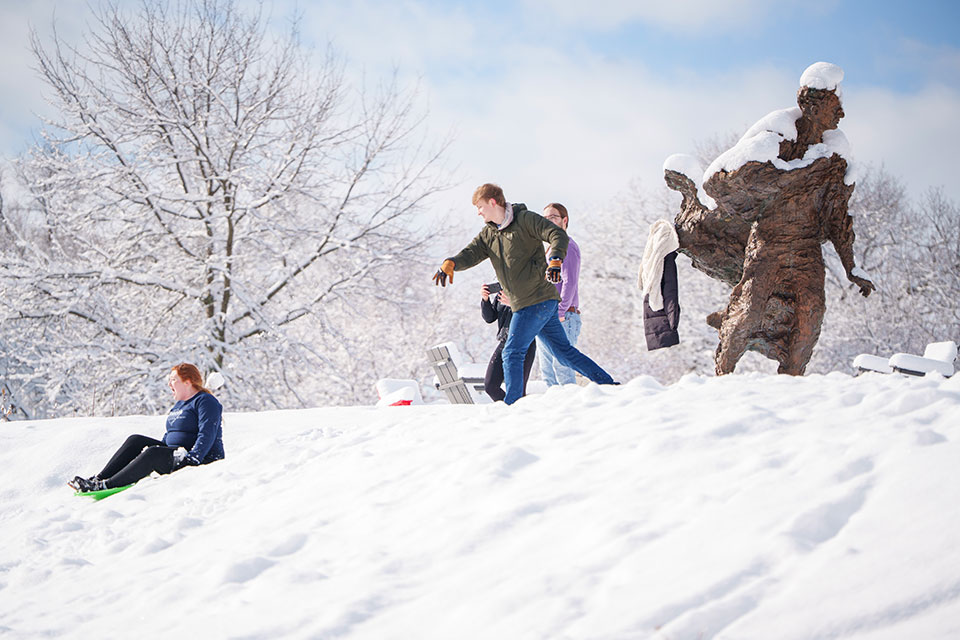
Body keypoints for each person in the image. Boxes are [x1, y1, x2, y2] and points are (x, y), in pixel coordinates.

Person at [433, 183, 616, 404]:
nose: (478, 212)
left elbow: (556, 234)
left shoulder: (525, 220)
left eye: (480, 207)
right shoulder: (489, 234)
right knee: (563, 352)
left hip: (535, 299)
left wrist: (556, 258)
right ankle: (607, 383)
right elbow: (471, 253)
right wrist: (451, 263)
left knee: (512, 353)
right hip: (537, 302)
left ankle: (513, 405)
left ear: (493, 202)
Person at [68, 363, 225, 492]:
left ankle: (105, 486)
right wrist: (160, 447)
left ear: (188, 381)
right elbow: (171, 434)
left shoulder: (205, 401)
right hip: (177, 453)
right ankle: (99, 479)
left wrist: (194, 458)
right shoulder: (179, 405)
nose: (169, 384)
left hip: (200, 458)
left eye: (173, 380)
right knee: (135, 440)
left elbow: (207, 432)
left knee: (153, 453)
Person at [536, 203, 581, 386]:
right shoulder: (549, 249)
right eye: (545, 218)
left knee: (562, 367)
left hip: (564, 316)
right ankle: (553, 412)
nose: (549, 221)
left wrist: (560, 312)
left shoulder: (567, 246)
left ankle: (571, 411)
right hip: (545, 316)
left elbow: (569, 281)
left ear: (564, 220)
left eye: (553, 217)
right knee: (546, 370)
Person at [480, 283, 537, 401]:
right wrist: (485, 300)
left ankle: (517, 414)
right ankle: (509, 410)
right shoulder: (502, 291)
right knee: (490, 386)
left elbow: (534, 313)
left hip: (524, 343)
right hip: (505, 341)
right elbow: (489, 318)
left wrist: (513, 304)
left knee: (518, 390)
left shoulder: (528, 287)